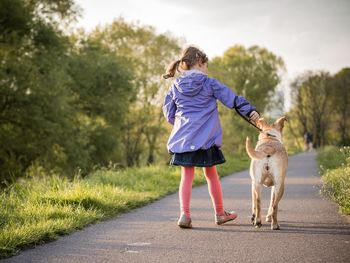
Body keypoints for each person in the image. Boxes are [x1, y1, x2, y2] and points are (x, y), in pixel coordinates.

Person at [162, 46, 260, 229]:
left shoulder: (175, 86)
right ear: (200, 62)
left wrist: (183, 125)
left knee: (187, 175)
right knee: (211, 174)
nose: (207, 69)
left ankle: (185, 214)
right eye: (206, 65)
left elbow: (169, 114)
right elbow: (232, 100)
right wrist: (251, 111)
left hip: (184, 139)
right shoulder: (209, 83)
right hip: (206, 140)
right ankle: (220, 213)